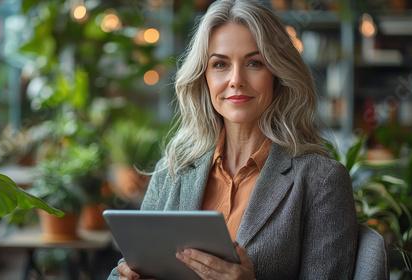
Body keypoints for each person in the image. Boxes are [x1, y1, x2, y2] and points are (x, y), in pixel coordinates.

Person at [108, 0, 358, 279]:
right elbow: (123, 268)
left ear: (277, 73)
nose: (236, 80)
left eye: (254, 62)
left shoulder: (321, 180)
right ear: (204, 77)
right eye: (220, 64)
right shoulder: (173, 170)